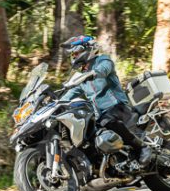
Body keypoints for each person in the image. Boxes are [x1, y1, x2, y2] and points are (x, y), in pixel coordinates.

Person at [60, 36, 151, 166]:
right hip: (100, 114)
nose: (73, 56)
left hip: (118, 107)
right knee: (87, 135)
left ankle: (141, 147)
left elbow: (105, 69)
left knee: (106, 121)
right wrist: (55, 103)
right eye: (72, 54)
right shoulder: (82, 77)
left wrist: (93, 73)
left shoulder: (102, 60)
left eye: (76, 52)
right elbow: (69, 95)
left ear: (88, 49)